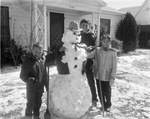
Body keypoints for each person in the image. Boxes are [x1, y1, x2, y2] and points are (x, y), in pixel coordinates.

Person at [20, 42, 48, 119]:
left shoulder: (42, 60)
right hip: (31, 88)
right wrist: (32, 80)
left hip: (40, 88)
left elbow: (44, 74)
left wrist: (47, 85)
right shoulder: (28, 62)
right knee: (31, 104)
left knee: (38, 104)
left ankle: (36, 117)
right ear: (32, 50)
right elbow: (22, 76)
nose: (38, 54)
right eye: (36, 52)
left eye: (39, 52)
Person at [92, 34, 117, 112]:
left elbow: (114, 66)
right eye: (104, 41)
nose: (105, 43)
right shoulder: (97, 50)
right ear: (101, 42)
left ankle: (108, 104)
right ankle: (103, 105)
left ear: (109, 42)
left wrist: (113, 77)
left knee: (107, 91)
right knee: (100, 91)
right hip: (99, 74)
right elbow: (91, 56)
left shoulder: (113, 52)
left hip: (107, 75)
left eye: (107, 41)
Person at [80, 19, 98, 110]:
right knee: (79, 79)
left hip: (89, 59)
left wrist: (91, 48)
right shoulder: (79, 35)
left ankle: (94, 99)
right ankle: (81, 98)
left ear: (88, 26)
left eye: (86, 25)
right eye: (83, 25)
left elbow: (95, 46)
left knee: (90, 79)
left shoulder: (92, 35)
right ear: (80, 26)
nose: (85, 27)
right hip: (80, 60)